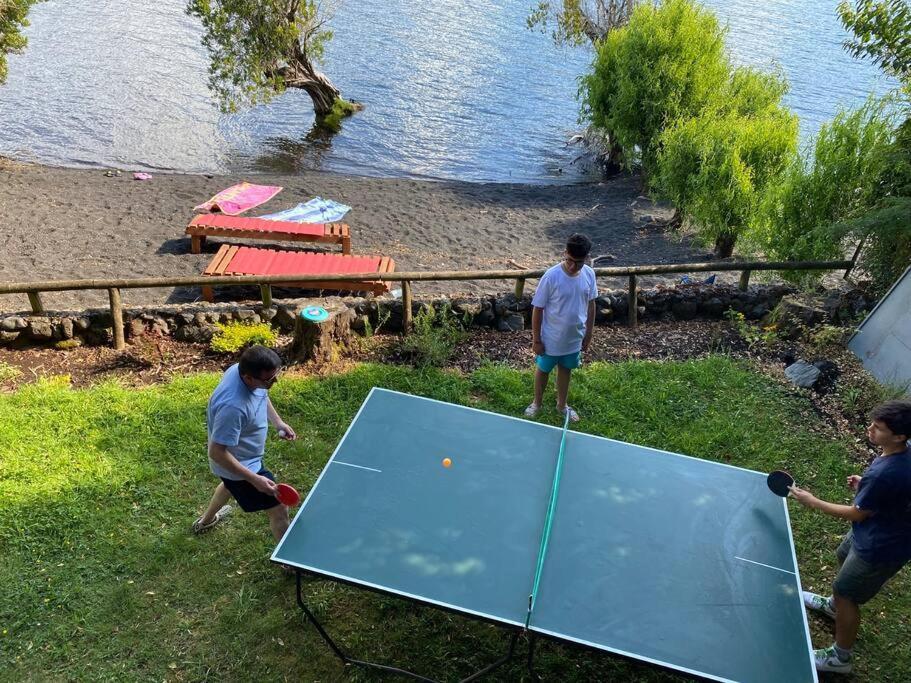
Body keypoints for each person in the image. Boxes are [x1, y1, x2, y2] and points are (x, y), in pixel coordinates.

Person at [790, 400, 911, 674]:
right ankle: (833, 608)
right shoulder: (900, 454)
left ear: (899, 436)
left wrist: (812, 501)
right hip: (873, 530)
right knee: (842, 555)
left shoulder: (884, 474)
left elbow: (856, 514)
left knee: (847, 593)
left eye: (878, 428)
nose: (869, 430)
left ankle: (840, 658)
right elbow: (892, 491)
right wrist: (866, 488)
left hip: (881, 547)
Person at [192, 345, 297, 548]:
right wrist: (254, 479)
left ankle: (205, 521)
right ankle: (289, 560)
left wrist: (278, 422)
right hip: (242, 465)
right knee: (279, 509)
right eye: (269, 380)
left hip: (242, 459)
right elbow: (216, 452)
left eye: (276, 375)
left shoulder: (240, 371)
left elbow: (261, 394)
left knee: (230, 485)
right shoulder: (233, 407)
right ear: (248, 378)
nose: (274, 382)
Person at [525, 233, 598, 422]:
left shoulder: (589, 274)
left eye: (579, 263)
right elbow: (538, 309)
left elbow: (591, 305)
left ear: (587, 259)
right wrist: (536, 340)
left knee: (566, 370)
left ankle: (561, 405)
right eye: (570, 260)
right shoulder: (551, 277)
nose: (574, 266)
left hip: (574, 338)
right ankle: (537, 403)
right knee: (543, 370)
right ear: (564, 253)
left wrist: (588, 334)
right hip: (550, 339)